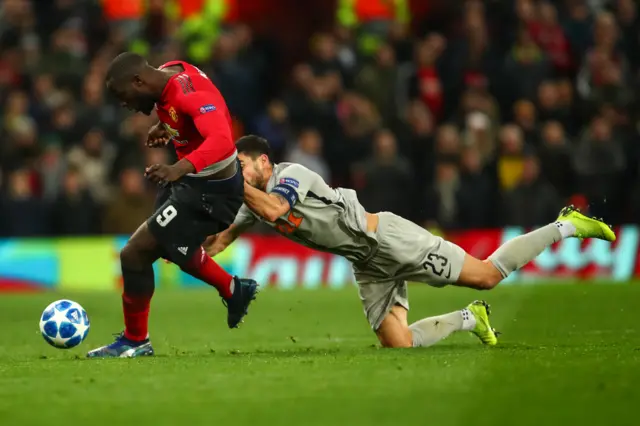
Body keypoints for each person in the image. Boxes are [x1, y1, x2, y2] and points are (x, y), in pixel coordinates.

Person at [206, 135, 616, 348]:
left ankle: (565, 225)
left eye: (241, 166)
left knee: (488, 275)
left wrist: (234, 184)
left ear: (263, 162)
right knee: (397, 343)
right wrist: (190, 248)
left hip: (388, 239)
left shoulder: (290, 174)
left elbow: (277, 209)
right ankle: (470, 319)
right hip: (366, 263)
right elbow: (222, 238)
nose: (238, 174)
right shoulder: (253, 201)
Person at [87, 53, 258, 358]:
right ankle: (234, 290)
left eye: (122, 95)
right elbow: (178, 111)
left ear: (138, 81)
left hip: (213, 191)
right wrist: (165, 126)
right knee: (169, 246)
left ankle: (136, 341)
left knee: (135, 254)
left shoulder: (188, 94)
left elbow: (222, 140)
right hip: (194, 185)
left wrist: (178, 168)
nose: (124, 104)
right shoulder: (168, 74)